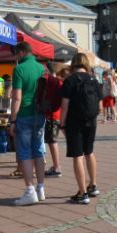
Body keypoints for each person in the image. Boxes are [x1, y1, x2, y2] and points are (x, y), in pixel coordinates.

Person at [7, 41, 47, 206]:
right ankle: (40, 188)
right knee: (38, 151)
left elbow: (17, 97)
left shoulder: (19, 69)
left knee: (24, 153)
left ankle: (30, 191)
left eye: (16, 54)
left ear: (22, 52)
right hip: (40, 115)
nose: (16, 58)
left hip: (24, 115)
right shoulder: (41, 68)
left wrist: (13, 119)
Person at [60, 52, 102, 204]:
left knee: (77, 155)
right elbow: (100, 106)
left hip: (74, 122)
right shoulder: (94, 80)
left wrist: (62, 124)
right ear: (86, 64)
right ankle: (93, 185)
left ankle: (82, 193)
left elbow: (64, 106)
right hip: (91, 121)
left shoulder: (69, 81)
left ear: (73, 64)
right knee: (89, 152)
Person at [43, 64, 68, 178]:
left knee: (52, 141)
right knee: (52, 141)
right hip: (57, 114)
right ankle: (56, 166)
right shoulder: (59, 82)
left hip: (52, 115)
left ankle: (57, 167)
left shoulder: (51, 82)